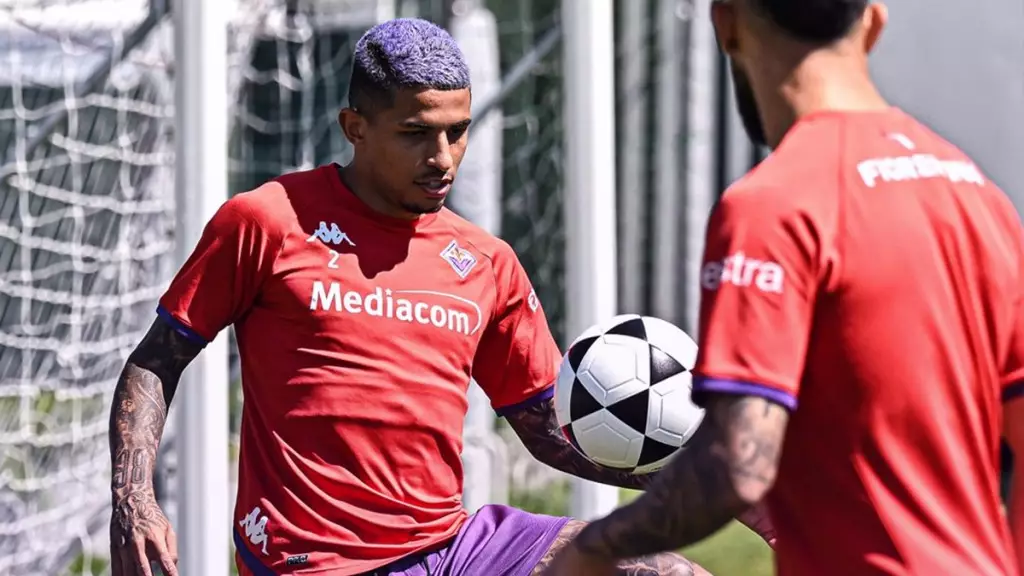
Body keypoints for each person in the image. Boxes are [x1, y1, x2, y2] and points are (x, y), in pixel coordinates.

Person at [106, 18, 753, 576]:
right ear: (355, 127)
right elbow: (155, 361)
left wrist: (712, 478)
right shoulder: (266, 222)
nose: (443, 157)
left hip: (450, 546)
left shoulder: (487, 262)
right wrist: (134, 499)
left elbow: (549, 430)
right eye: (416, 133)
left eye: (457, 131)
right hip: (314, 559)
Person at [543, 1, 1024, 575]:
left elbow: (737, 464)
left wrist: (594, 549)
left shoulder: (773, 205)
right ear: (873, 22)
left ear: (725, 23)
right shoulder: (975, 194)